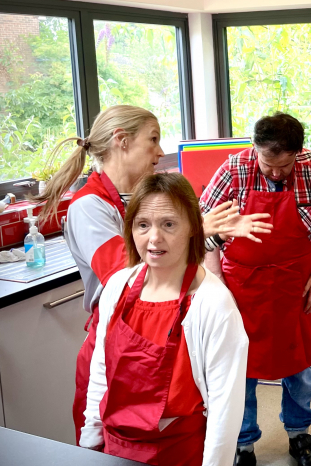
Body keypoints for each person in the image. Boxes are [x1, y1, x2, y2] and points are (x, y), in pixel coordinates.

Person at [34, 104, 269, 444]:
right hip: (117, 343)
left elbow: (168, 264)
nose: (161, 152)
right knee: (109, 444)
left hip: (161, 335)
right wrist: (195, 230)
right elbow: (129, 277)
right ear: (122, 141)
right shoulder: (90, 206)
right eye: (154, 140)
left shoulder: (136, 199)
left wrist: (207, 235)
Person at [200, 112, 311, 466]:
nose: (277, 173)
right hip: (241, 287)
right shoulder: (234, 169)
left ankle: (300, 435)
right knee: (242, 369)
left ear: (298, 153)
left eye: (285, 165)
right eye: (269, 164)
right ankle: (244, 443)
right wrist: (218, 286)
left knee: (298, 367)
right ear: (256, 148)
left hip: (293, 285)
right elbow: (206, 232)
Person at [79, 172, 249, 466]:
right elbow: (101, 372)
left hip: (176, 450)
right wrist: (89, 442)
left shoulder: (213, 304)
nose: (154, 238)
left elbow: (225, 409)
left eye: (168, 224)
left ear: (194, 228)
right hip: (114, 445)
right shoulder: (118, 287)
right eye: (143, 225)